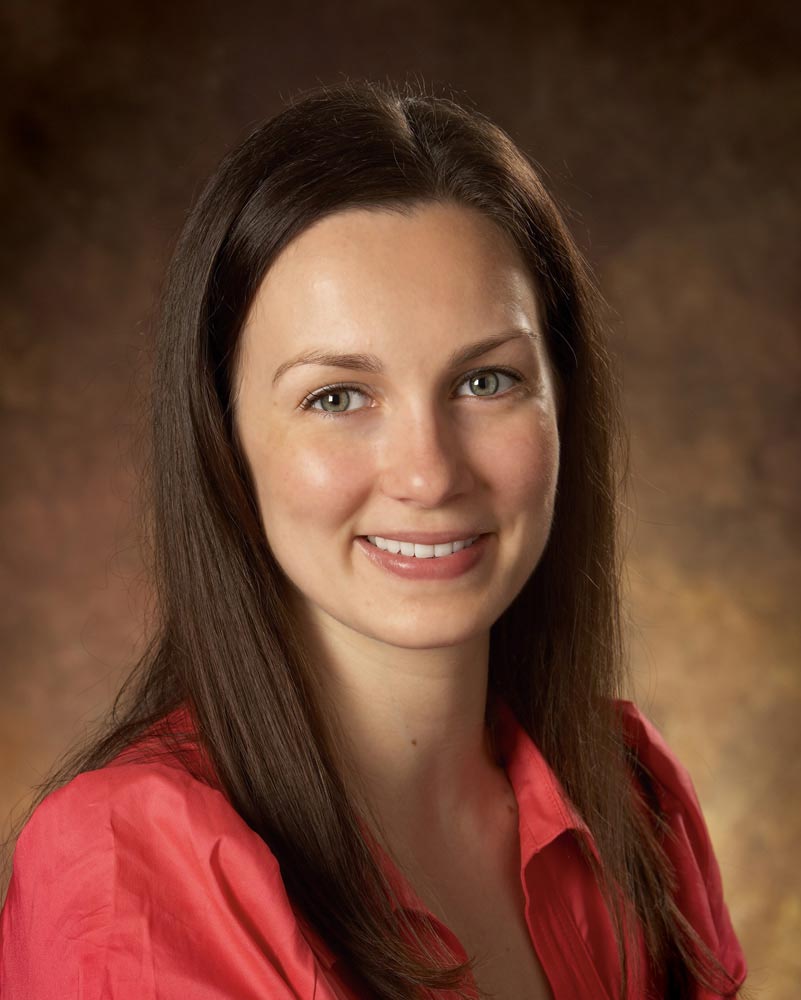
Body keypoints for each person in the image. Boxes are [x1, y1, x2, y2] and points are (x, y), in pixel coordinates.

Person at [0, 80, 748, 1000]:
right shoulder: (129, 867)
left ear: (564, 403)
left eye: (485, 382)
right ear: (222, 439)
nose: (429, 474)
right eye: (336, 397)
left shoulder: (637, 798)